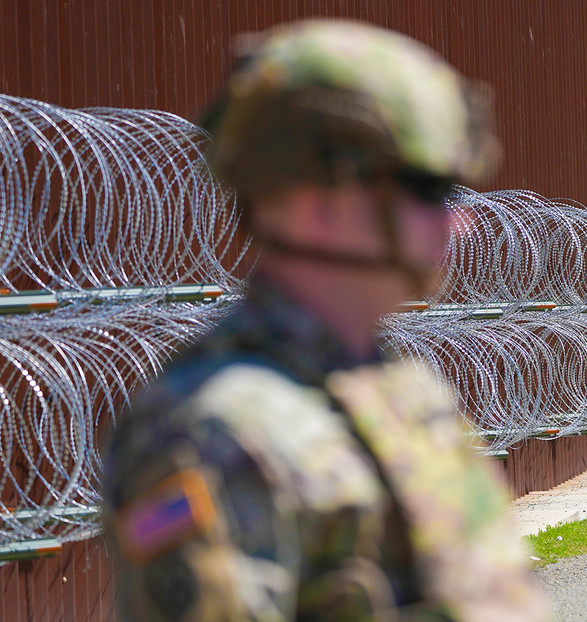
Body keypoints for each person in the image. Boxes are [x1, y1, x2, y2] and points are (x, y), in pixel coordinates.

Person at [101, 20, 548, 621]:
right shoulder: (212, 431)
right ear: (322, 203)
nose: (459, 222)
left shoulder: (392, 384)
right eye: (428, 188)